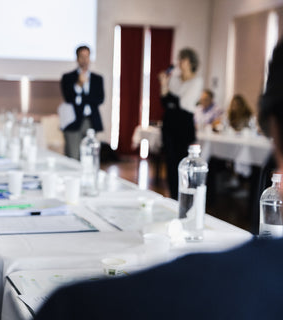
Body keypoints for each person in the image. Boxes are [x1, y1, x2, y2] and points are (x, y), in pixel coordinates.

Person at [34, 40, 283, 320]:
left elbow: (166, 103)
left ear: (270, 125)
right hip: (116, 126)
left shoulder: (75, 307)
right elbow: (168, 101)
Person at [158, 47, 204, 199]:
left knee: (184, 163)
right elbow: (165, 102)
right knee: (170, 164)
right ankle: (172, 197)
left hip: (184, 125)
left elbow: (183, 103)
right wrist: (164, 85)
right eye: (179, 59)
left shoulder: (196, 81)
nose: (180, 63)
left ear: (191, 62)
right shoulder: (175, 79)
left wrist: (170, 96)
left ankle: (185, 197)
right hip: (169, 124)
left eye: (183, 59)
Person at [60, 45, 104, 159]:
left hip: (91, 121)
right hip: (73, 121)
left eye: (87, 56)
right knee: (73, 156)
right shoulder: (68, 77)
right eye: (82, 57)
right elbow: (68, 98)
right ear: (77, 58)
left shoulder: (97, 78)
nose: (85, 60)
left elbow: (100, 99)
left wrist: (81, 98)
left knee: (89, 157)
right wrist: (79, 85)